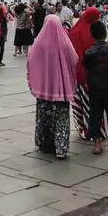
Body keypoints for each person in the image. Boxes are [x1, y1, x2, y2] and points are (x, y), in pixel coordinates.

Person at [27, 16, 78, 159]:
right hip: (61, 88)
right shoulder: (64, 42)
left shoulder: (39, 43)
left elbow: (30, 61)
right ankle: (60, 149)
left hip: (44, 89)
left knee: (44, 117)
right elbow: (74, 59)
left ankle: (44, 144)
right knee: (61, 118)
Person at [82, 21, 108, 154]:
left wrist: (88, 86)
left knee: (95, 114)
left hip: (94, 89)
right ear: (105, 33)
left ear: (92, 35)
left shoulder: (89, 52)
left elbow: (86, 72)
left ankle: (97, 144)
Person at [68, 7, 103, 138]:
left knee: (79, 101)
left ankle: (82, 128)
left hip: (77, 72)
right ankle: (95, 130)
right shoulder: (92, 32)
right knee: (93, 103)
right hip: (92, 73)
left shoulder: (74, 30)